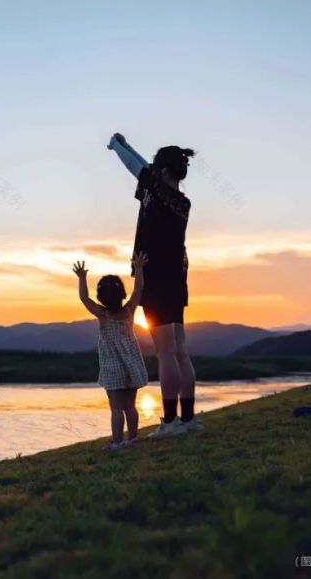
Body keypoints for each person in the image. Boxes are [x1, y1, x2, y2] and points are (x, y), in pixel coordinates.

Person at [107, 132, 203, 436]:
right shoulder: (182, 202)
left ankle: (170, 422)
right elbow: (144, 167)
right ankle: (188, 420)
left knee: (165, 353)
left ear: (162, 171)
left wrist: (116, 145)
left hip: (155, 279)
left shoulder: (155, 191)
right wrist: (127, 146)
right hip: (177, 279)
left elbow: (134, 166)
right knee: (180, 351)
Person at [73, 252, 149, 450]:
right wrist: (138, 268)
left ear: (102, 298)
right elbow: (138, 289)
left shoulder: (102, 315)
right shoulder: (130, 310)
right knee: (130, 406)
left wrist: (82, 278)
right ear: (122, 294)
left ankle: (117, 442)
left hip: (112, 368)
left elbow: (84, 298)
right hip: (131, 364)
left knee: (116, 408)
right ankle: (132, 439)